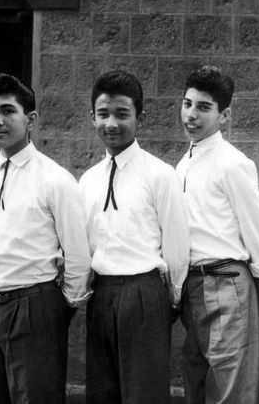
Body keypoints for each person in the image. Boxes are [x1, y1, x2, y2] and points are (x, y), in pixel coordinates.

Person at [0, 73, 91, 404]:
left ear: (31, 119)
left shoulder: (55, 180)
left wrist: (57, 309)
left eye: (8, 111)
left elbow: (78, 256)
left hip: (34, 305)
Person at [79, 70, 190, 404]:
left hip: (145, 294)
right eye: (103, 114)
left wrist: (170, 298)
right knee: (102, 390)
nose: (111, 124)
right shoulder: (88, 180)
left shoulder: (159, 174)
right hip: (101, 294)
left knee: (144, 392)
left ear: (140, 117)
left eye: (122, 114)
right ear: (92, 117)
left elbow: (176, 241)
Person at [175, 65, 259, 404]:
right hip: (192, 284)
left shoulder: (233, 163)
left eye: (204, 107)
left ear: (225, 115)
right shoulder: (184, 163)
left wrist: (246, 296)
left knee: (230, 391)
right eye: (188, 104)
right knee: (197, 382)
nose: (192, 114)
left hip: (227, 280)